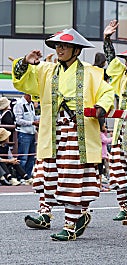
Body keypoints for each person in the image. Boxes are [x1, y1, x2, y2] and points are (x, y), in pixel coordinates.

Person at [12, 28, 114, 241]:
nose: (60, 49)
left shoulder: (91, 72)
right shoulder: (46, 70)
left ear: (76, 50)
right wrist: (25, 62)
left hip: (77, 132)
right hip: (53, 131)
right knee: (46, 174)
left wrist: (101, 108)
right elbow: (23, 82)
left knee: (72, 177)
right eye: (58, 45)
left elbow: (106, 93)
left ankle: (72, 223)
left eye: (65, 46)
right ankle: (46, 213)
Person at [103, 20, 127, 221]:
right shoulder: (122, 77)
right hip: (119, 133)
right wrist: (107, 39)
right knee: (117, 173)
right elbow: (110, 59)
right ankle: (124, 206)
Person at [13, 93, 39, 182]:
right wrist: (32, 123)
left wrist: (38, 119)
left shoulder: (30, 104)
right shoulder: (19, 104)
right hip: (23, 133)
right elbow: (18, 120)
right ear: (28, 95)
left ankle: (27, 177)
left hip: (31, 133)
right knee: (23, 158)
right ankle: (21, 177)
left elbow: (33, 117)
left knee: (31, 158)